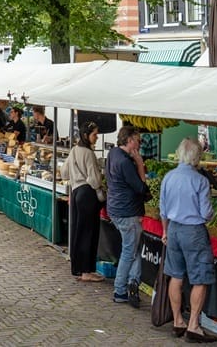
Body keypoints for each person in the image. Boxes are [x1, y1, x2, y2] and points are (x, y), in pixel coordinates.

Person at [159, 137, 216, 343]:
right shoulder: (200, 180)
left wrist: (165, 232)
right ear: (197, 157)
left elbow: (163, 210)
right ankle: (193, 325)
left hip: (173, 229)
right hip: (194, 232)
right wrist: (210, 215)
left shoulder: (169, 177)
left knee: (176, 275)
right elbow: (206, 212)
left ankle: (177, 321)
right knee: (199, 278)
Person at [106, 125, 147, 307]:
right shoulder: (126, 162)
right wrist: (139, 163)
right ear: (130, 140)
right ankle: (120, 290)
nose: (139, 144)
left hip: (115, 208)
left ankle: (133, 283)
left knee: (133, 248)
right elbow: (142, 188)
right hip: (127, 212)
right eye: (138, 140)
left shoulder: (113, 153)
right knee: (129, 251)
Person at [60, 121, 105, 283]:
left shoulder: (74, 150)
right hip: (87, 194)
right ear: (86, 135)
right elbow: (94, 180)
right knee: (89, 233)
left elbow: (64, 172)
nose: (97, 137)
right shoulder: (88, 153)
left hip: (76, 192)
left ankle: (78, 268)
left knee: (79, 232)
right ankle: (87, 271)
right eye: (95, 134)